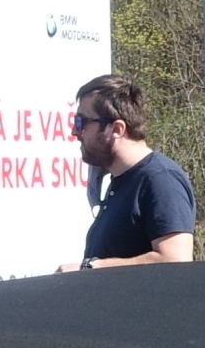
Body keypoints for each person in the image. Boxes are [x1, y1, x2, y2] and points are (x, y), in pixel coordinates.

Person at [56, 75, 196, 273]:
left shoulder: (160, 179)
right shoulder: (120, 180)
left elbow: (175, 259)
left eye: (81, 122)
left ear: (117, 129)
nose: (74, 132)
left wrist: (90, 267)